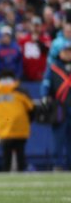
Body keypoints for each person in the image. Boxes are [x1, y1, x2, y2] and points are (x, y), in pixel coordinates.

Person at [0, 70, 33, 172]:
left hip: (3, 129)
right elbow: (31, 108)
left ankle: (6, 178)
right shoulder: (21, 90)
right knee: (20, 156)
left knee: (6, 157)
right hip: (20, 127)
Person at [39, 39, 71, 170]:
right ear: (60, 53)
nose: (68, 54)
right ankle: (57, 163)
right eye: (66, 51)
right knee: (58, 137)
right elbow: (46, 84)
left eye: (70, 51)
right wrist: (45, 96)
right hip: (60, 107)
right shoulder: (53, 68)